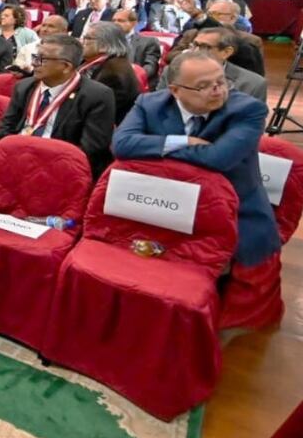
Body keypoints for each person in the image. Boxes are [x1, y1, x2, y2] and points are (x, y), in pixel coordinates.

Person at [114, 52, 279, 269]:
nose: (217, 90)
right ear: (175, 90)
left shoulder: (248, 110)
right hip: (164, 205)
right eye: (204, 86)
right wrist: (182, 142)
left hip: (233, 214)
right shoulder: (150, 104)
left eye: (221, 81)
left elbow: (217, 159)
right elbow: (121, 145)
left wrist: (155, 148)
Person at [0, 35, 115, 178]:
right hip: (18, 159)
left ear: (66, 66)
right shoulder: (24, 87)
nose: (34, 63)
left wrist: (43, 164)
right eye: (35, 57)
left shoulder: (97, 95)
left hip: (60, 169)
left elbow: (91, 149)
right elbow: (5, 128)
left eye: (42, 59)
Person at [157, 27, 266, 102]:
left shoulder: (252, 84)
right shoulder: (170, 72)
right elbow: (158, 111)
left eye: (205, 47)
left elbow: (250, 128)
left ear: (226, 52)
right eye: (194, 45)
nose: (196, 52)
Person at [80, 22, 140, 124]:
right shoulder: (90, 61)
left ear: (104, 45)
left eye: (88, 38)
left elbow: (97, 110)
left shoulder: (115, 73)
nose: (82, 42)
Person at [113, 8, 162, 85]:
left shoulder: (149, 42)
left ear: (133, 23)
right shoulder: (106, 41)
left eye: (120, 21)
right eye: (114, 20)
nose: (115, 23)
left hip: (136, 83)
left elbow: (150, 67)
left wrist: (134, 78)